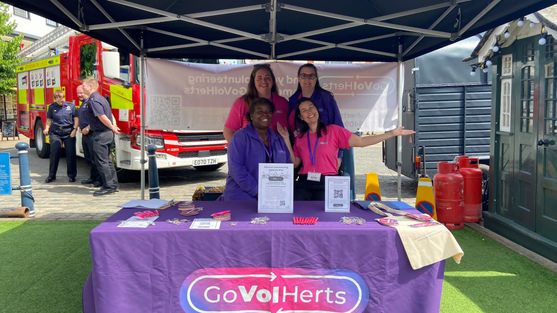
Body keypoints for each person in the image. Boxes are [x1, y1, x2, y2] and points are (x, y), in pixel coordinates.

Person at [278, 97, 415, 201]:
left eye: (311, 107)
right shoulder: (301, 137)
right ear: (301, 117)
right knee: (299, 217)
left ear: (317, 110)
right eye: (304, 110)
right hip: (304, 182)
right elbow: (295, 163)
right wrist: (286, 139)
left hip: (328, 182)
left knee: (325, 221)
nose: (309, 112)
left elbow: (361, 141)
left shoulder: (334, 131)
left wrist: (391, 134)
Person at [223, 98, 291, 200]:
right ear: (251, 116)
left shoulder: (278, 138)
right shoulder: (240, 137)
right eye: (260, 111)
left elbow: (287, 166)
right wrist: (258, 191)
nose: (265, 114)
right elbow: (236, 169)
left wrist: (281, 191)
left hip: (272, 197)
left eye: (268, 112)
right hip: (242, 197)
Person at [223, 64, 288, 142]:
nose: (263, 81)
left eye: (267, 77)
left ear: (273, 81)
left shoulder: (283, 102)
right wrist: (240, 149)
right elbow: (229, 131)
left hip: (279, 152)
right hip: (251, 153)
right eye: (259, 78)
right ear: (253, 81)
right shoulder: (242, 102)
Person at [82, 77, 120, 196]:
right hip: (107, 134)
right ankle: (113, 184)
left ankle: (108, 186)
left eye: (84, 86)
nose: (83, 87)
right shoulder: (101, 98)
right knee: (107, 161)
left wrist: (112, 126)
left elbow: (102, 116)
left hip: (101, 134)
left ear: (90, 87)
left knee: (102, 161)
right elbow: (109, 114)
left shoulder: (93, 100)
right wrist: (112, 126)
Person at [44, 90, 78, 183]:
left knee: (70, 154)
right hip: (55, 133)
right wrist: (46, 128)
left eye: (63, 97)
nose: (62, 100)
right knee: (54, 153)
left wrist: (75, 129)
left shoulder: (71, 106)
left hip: (68, 132)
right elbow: (49, 119)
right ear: (55, 99)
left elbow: (76, 118)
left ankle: (72, 176)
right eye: (59, 99)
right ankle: (51, 176)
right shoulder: (52, 107)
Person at [76, 84, 102, 187]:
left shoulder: (91, 102)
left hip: (92, 134)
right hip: (85, 135)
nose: (79, 95)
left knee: (95, 158)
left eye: (81, 92)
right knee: (88, 158)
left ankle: (99, 180)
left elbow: (98, 118)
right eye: (78, 93)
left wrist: (88, 127)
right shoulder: (83, 103)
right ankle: (92, 177)